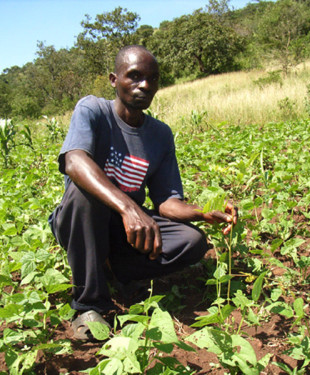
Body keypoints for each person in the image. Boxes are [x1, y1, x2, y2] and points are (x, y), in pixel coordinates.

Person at [49, 45, 237, 339]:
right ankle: (88, 304)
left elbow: (167, 203)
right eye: (134, 76)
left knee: (192, 240)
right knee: (82, 192)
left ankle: (115, 269)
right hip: (82, 220)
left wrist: (203, 212)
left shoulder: (160, 134)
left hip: (127, 229)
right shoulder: (93, 110)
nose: (145, 85)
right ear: (114, 79)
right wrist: (129, 207)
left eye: (152, 79)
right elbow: (74, 161)